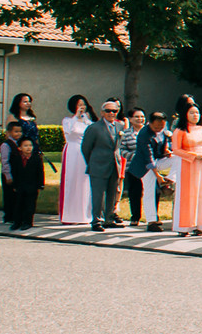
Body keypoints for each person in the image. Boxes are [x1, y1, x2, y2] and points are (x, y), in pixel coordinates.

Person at [81, 97, 125, 231]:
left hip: (114, 165)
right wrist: (93, 162)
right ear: (102, 113)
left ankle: (109, 218)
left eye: (114, 111)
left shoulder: (120, 126)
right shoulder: (94, 128)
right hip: (98, 165)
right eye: (108, 111)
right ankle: (96, 220)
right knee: (98, 194)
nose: (111, 113)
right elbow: (86, 148)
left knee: (112, 193)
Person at [170, 104, 202, 237]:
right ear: (185, 115)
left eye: (197, 113)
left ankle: (200, 225)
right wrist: (194, 156)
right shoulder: (180, 131)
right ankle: (184, 226)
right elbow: (176, 149)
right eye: (192, 113)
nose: (195, 115)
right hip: (188, 165)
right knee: (187, 195)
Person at [129, 111, 170, 231]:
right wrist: (158, 176)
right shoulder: (144, 134)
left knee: (177, 159)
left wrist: (166, 153)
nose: (159, 129)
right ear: (150, 123)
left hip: (158, 160)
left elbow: (161, 148)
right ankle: (151, 221)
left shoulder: (164, 132)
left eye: (161, 126)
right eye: (156, 127)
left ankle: (170, 180)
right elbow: (149, 156)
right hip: (144, 166)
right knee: (149, 191)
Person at [59, 94, 96, 225]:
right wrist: (77, 117)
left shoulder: (88, 122)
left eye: (83, 104)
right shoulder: (68, 121)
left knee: (85, 182)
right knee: (72, 180)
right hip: (73, 152)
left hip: (86, 153)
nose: (82, 107)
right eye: (79, 105)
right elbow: (71, 131)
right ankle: (70, 214)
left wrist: (84, 118)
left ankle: (85, 214)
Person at [5, 136, 43, 230]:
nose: (28, 147)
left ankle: (28, 222)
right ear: (20, 148)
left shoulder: (36, 159)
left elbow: (40, 172)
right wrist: (14, 185)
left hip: (32, 186)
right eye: (25, 145)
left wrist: (40, 184)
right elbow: (15, 172)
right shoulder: (16, 159)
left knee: (30, 205)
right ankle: (17, 222)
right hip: (20, 186)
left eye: (30, 145)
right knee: (19, 204)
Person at [118, 109, 145, 223]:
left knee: (152, 192)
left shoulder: (149, 131)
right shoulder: (127, 134)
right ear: (130, 119)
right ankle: (135, 217)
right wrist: (133, 156)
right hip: (133, 167)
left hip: (149, 167)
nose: (140, 119)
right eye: (137, 117)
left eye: (142, 116)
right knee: (135, 192)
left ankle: (153, 217)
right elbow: (122, 149)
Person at [2, 121, 26, 227]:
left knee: (17, 195)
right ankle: (8, 216)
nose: (18, 134)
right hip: (9, 174)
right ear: (9, 132)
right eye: (16, 131)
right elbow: (5, 161)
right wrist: (8, 175)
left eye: (20, 131)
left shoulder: (20, 144)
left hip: (18, 174)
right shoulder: (6, 145)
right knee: (9, 195)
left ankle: (16, 215)